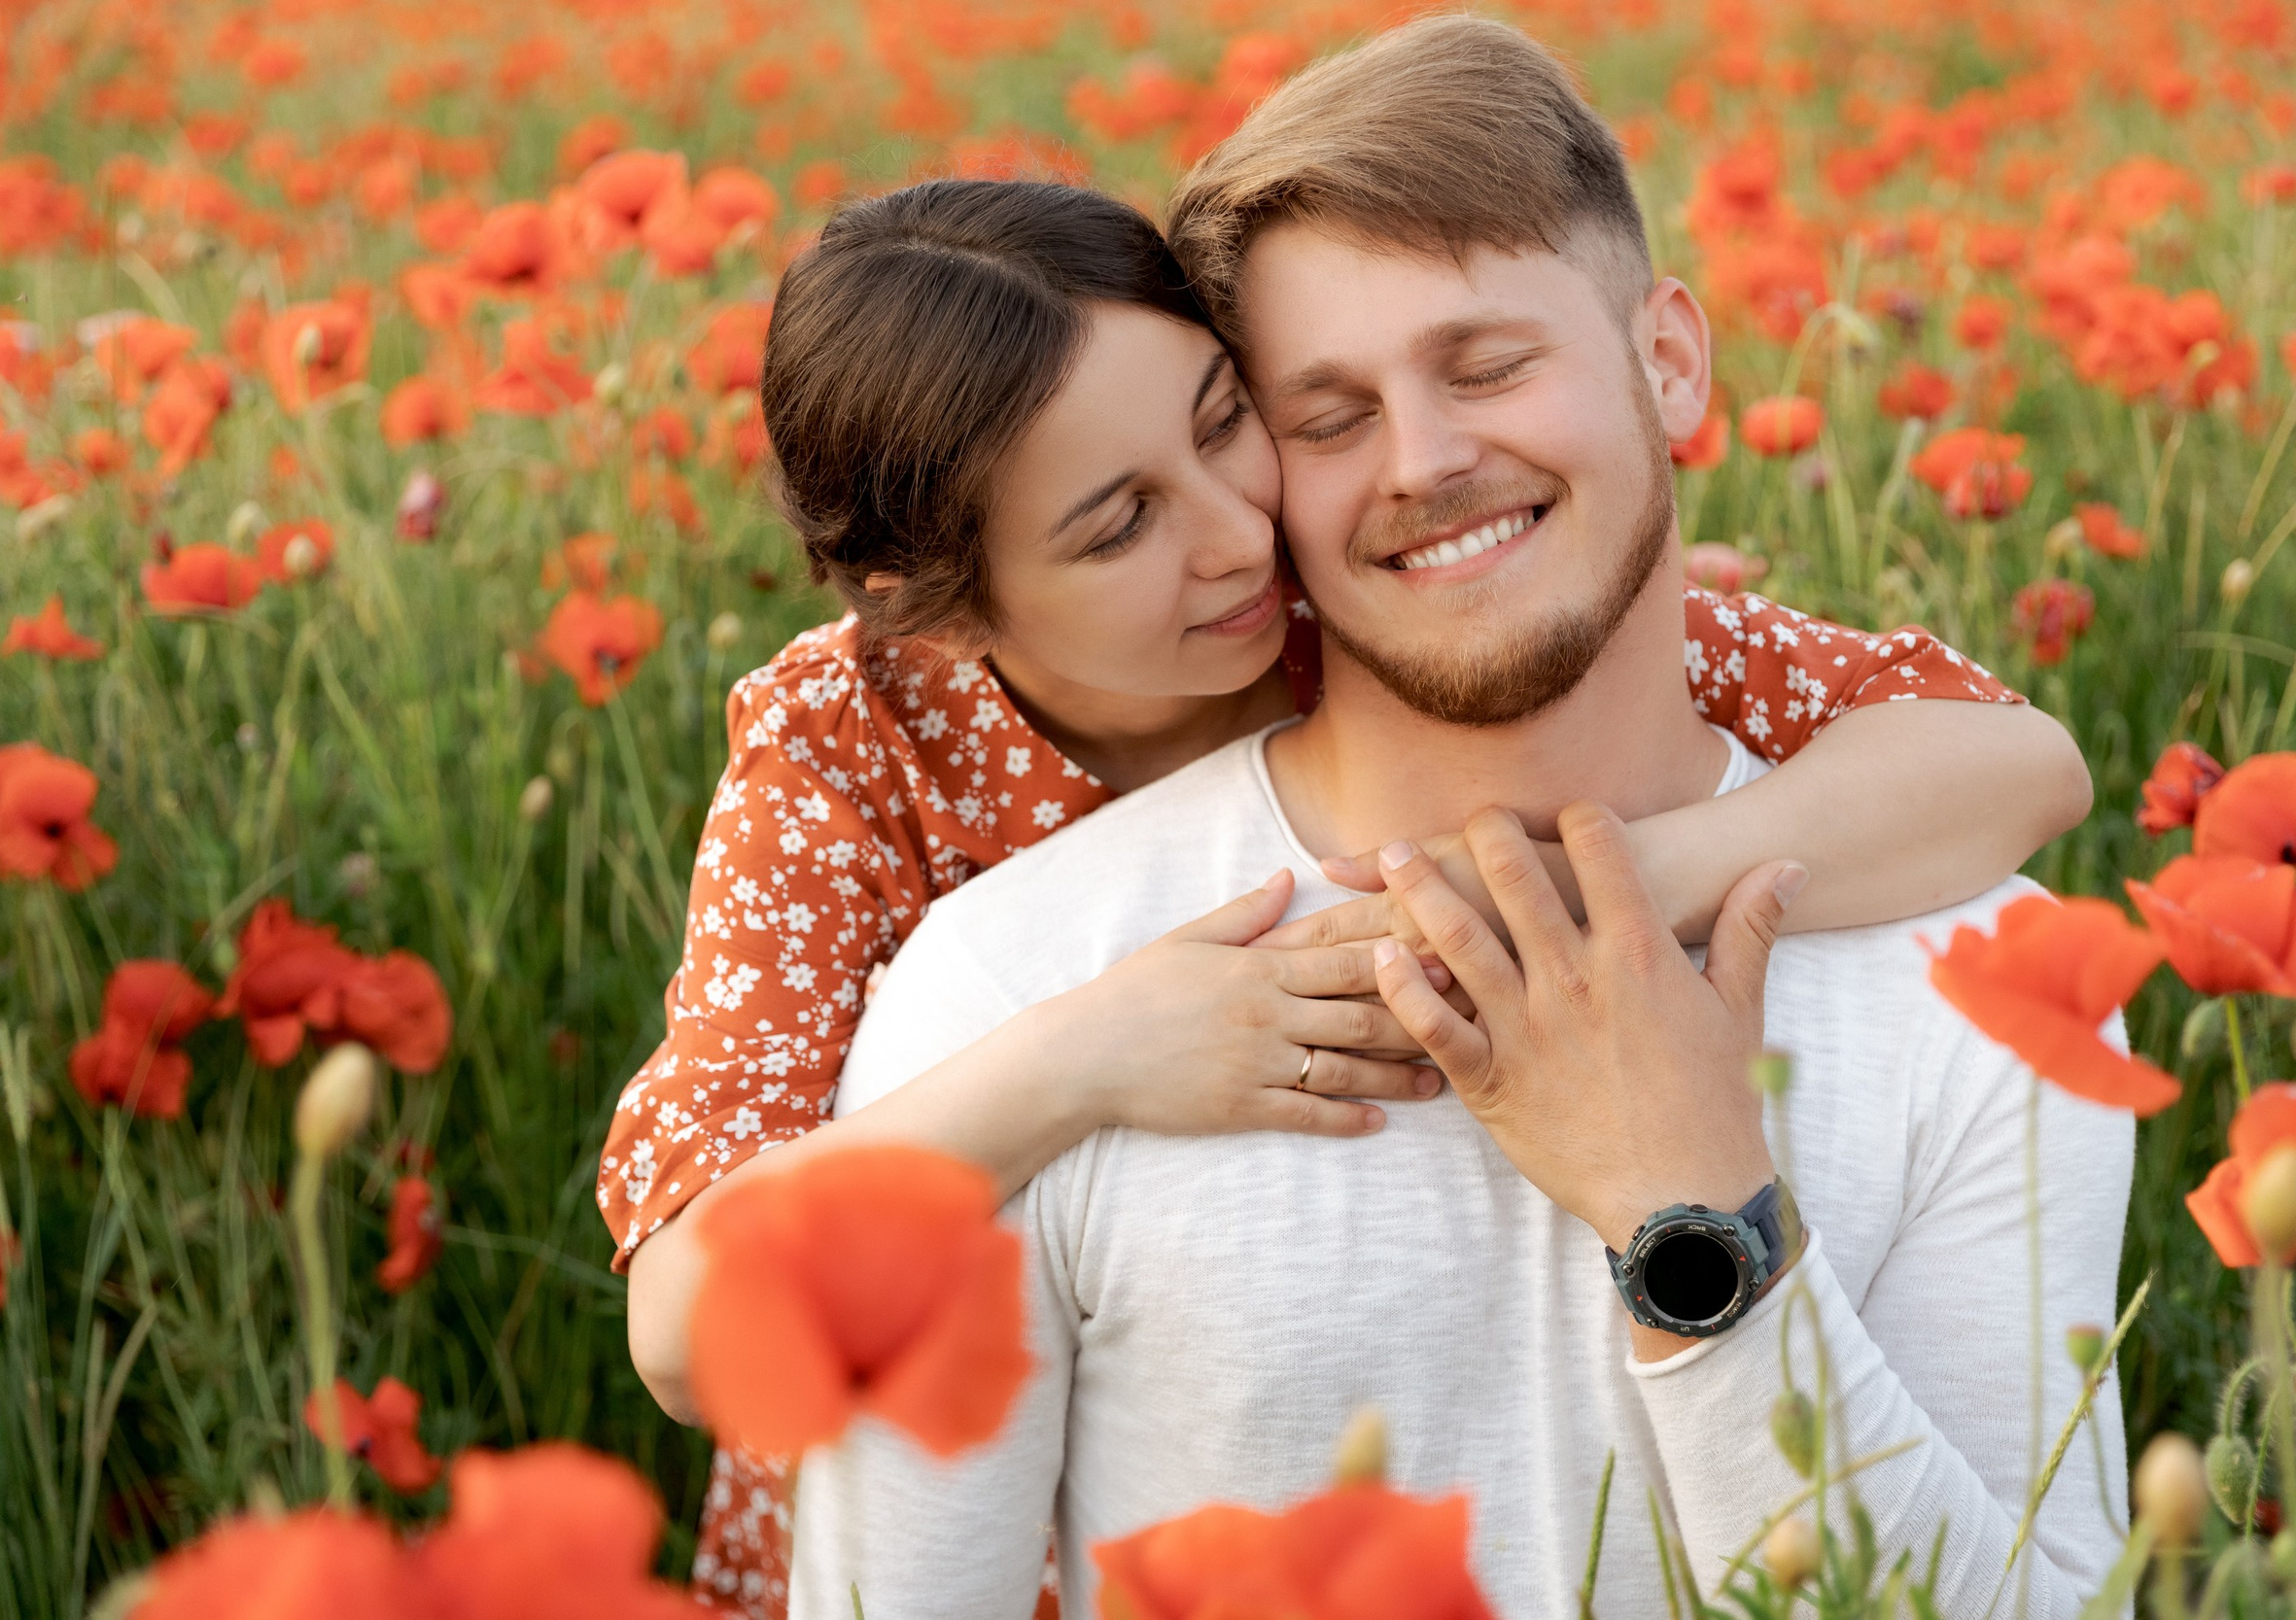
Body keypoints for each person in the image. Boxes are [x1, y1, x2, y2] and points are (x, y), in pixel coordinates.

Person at [606, 91, 2090, 1620]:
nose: (1239, 535)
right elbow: (687, 1333)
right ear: (938, 604)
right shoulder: (849, 756)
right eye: (1119, 527)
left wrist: (1635, 885)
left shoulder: (1381, 590)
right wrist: (1084, 1058)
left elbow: (2015, 757)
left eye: (1221, 422)